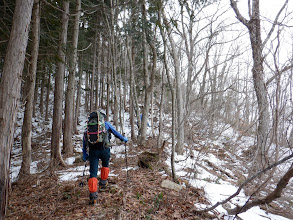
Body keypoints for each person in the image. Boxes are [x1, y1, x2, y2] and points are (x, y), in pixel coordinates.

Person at [82, 111, 128, 205]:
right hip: (105, 150)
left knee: (93, 173)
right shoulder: (106, 124)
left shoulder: (89, 127)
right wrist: (123, 139)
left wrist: (84, 154)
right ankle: (103, 184)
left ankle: (93, 197)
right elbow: (115, 133)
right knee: (105, 165)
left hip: (93, 152)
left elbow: (85, 140)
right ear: (103, 118)